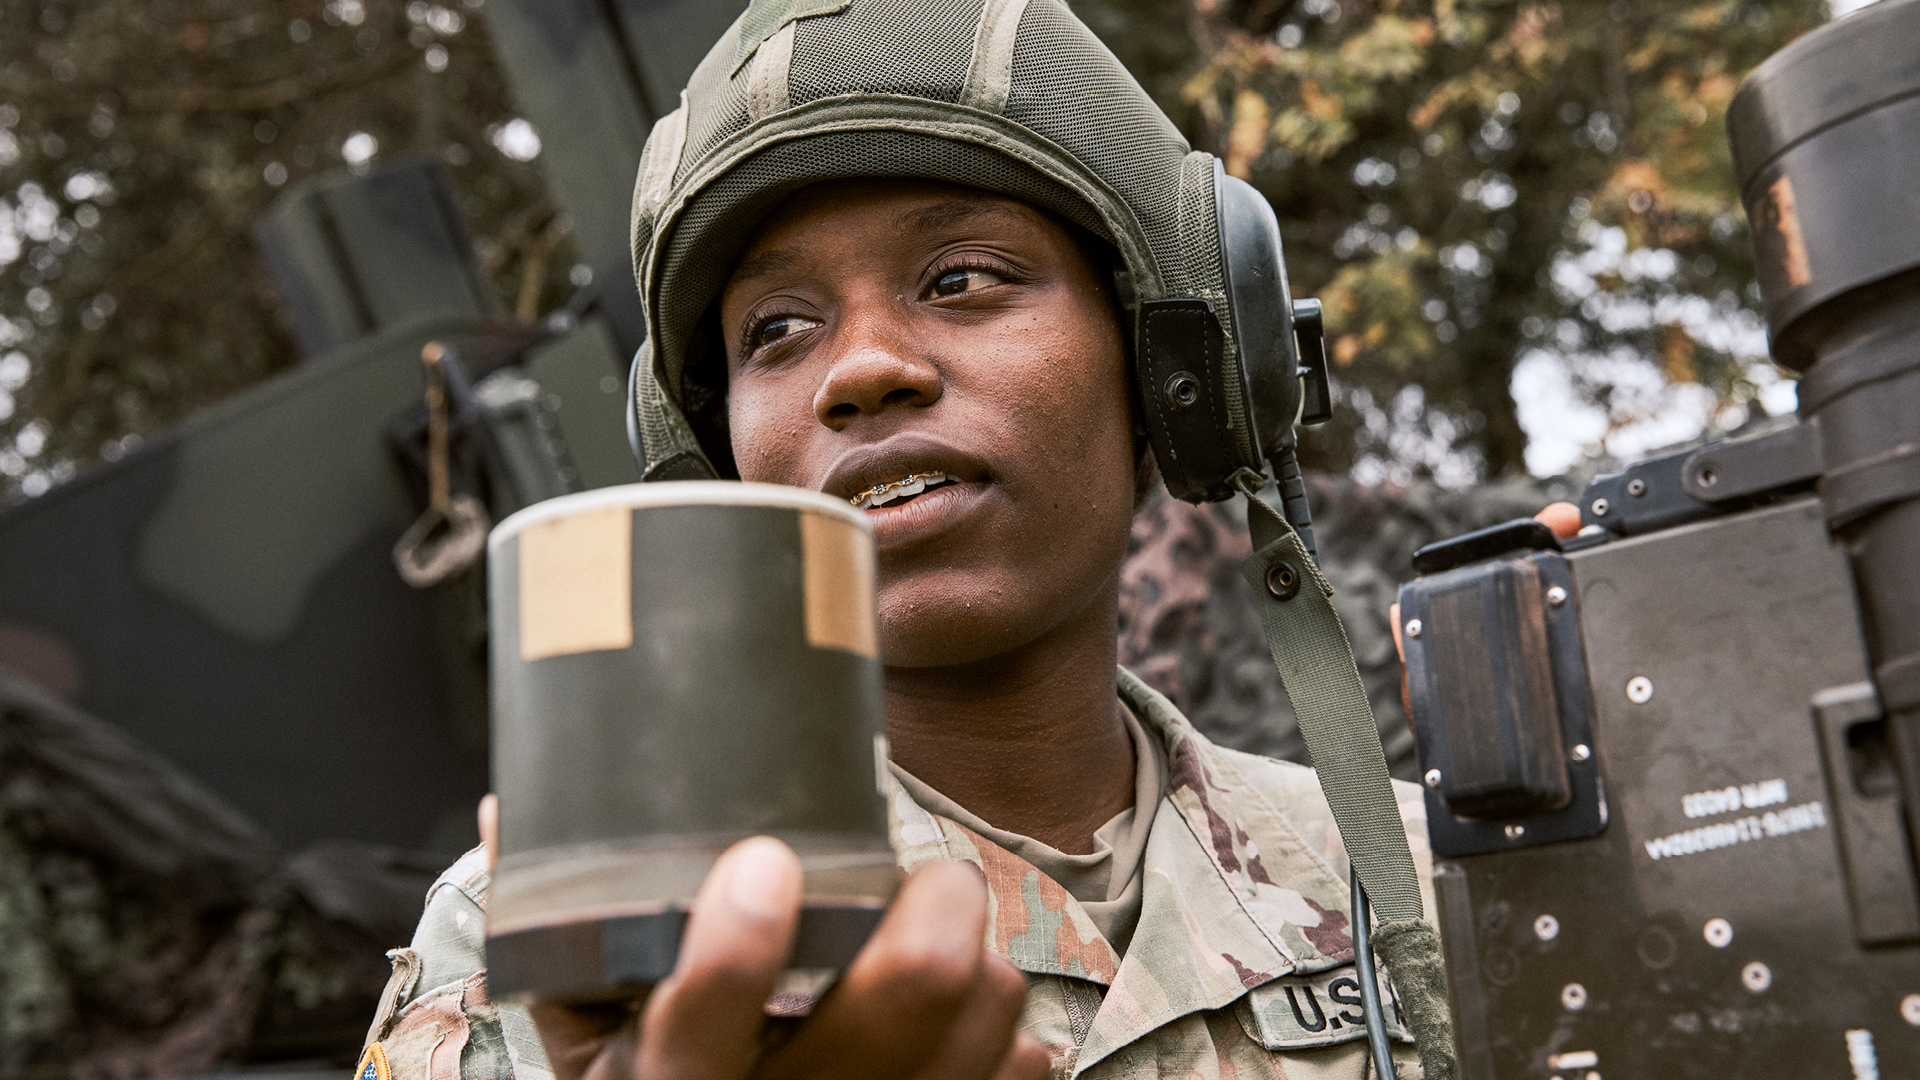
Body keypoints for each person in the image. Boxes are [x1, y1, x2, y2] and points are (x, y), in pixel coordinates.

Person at [358, 3, 1446, 1078]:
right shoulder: (560, 943)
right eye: (776, 329)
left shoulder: (1437, 886)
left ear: (1178, 381)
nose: (862, 369)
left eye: (961, 278)